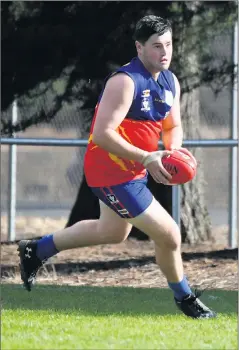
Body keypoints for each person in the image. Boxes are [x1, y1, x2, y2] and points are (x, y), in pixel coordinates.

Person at [18, 15, 216, 319]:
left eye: (169, 44)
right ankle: (185, 298)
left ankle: (37, 250)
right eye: (156, 46)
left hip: (133, 169)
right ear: (139, 47)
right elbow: (102, 133)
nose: (165, 52)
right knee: (170, 235)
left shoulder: (170, 81)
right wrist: (147, 158)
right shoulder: (125, 81)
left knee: (111, 232)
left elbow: (173, 124)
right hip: (109, 170)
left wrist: (172, 151)